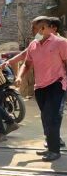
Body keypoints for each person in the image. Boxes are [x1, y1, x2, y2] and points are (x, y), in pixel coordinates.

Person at [16, 16, 67, 162]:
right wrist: (19, 76)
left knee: (51, 117)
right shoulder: (33, 45)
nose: (33, 30)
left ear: (45, 27)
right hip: (40, 87)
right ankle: (52, 143)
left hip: (57, 85)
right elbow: (27, 64)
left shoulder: (61, 43)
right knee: (46, 117)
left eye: (35, 27)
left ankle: (54, 150)